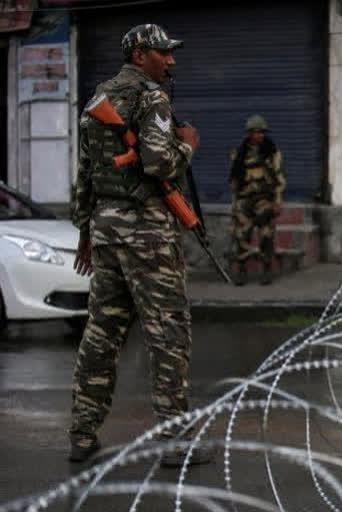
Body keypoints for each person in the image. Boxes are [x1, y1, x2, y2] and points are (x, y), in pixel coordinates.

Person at [69, 23, 211, 467]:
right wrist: (187, 146)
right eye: (162, 53)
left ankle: (82, 433)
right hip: (146, 232)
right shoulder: (152, 98)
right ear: (139, 56)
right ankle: (174, 441)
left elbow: (87, 174)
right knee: (168, 333)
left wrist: (87, 232)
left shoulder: (99, 100)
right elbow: (158, 161)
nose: (171, 61)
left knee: (101, 333)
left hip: (107, 229)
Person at [228, 114, 286, 286]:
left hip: (264, 201)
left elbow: (279, 180)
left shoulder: (271, 153)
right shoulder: (239, 154)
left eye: (262, 132)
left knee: (266, 234)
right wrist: (234, 207)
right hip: (244, 201)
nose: (260, 135)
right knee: (241, 235)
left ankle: (267, 269)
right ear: (249, 133)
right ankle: (242, 270)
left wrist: (277, 202)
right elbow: (235, 183)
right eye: (256, 132)